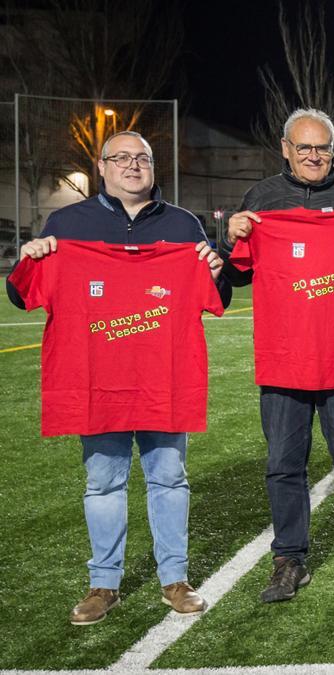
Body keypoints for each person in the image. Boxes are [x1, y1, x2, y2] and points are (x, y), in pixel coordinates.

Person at [6, 131, 227, 625]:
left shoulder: (183, 224)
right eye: (122, 158)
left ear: (153, 167)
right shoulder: (66, 224)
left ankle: (175, 579)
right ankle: (103, 584)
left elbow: (219, 297)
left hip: (162, 380)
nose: (133, 165)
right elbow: (23, 296)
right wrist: (32, 257)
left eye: (142, 158)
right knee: (103, 483)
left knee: (169, 477)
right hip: (97, 382)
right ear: (101, 166)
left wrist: (214, 270)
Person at [222, 108, 334, 604]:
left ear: (333, 150)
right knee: (283, 464)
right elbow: (236, 275)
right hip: (285, 361)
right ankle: (289, 560)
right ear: (285, 148)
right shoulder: (261, 199)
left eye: (321, 147)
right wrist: (232, 235)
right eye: (303, 147)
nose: (313, 155)